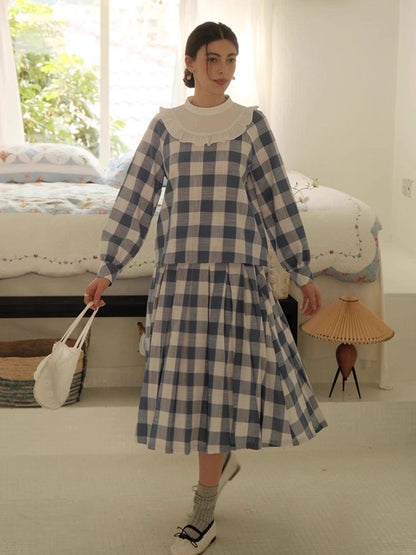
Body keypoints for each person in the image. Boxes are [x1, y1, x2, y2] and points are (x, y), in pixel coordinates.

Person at [84, 21, 327, 555]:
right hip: (182, 279)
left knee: (221, 392)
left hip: (237, 278)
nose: (223, 70)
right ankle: (218, 469)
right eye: (212, 59)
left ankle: (202, 513)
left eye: (231, 59)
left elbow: (277, 201)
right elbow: (136, 199)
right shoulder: (166, 127)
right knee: (198, 394)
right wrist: (109, 267)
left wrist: (301, 270)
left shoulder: (250, 124)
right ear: (190, 63)